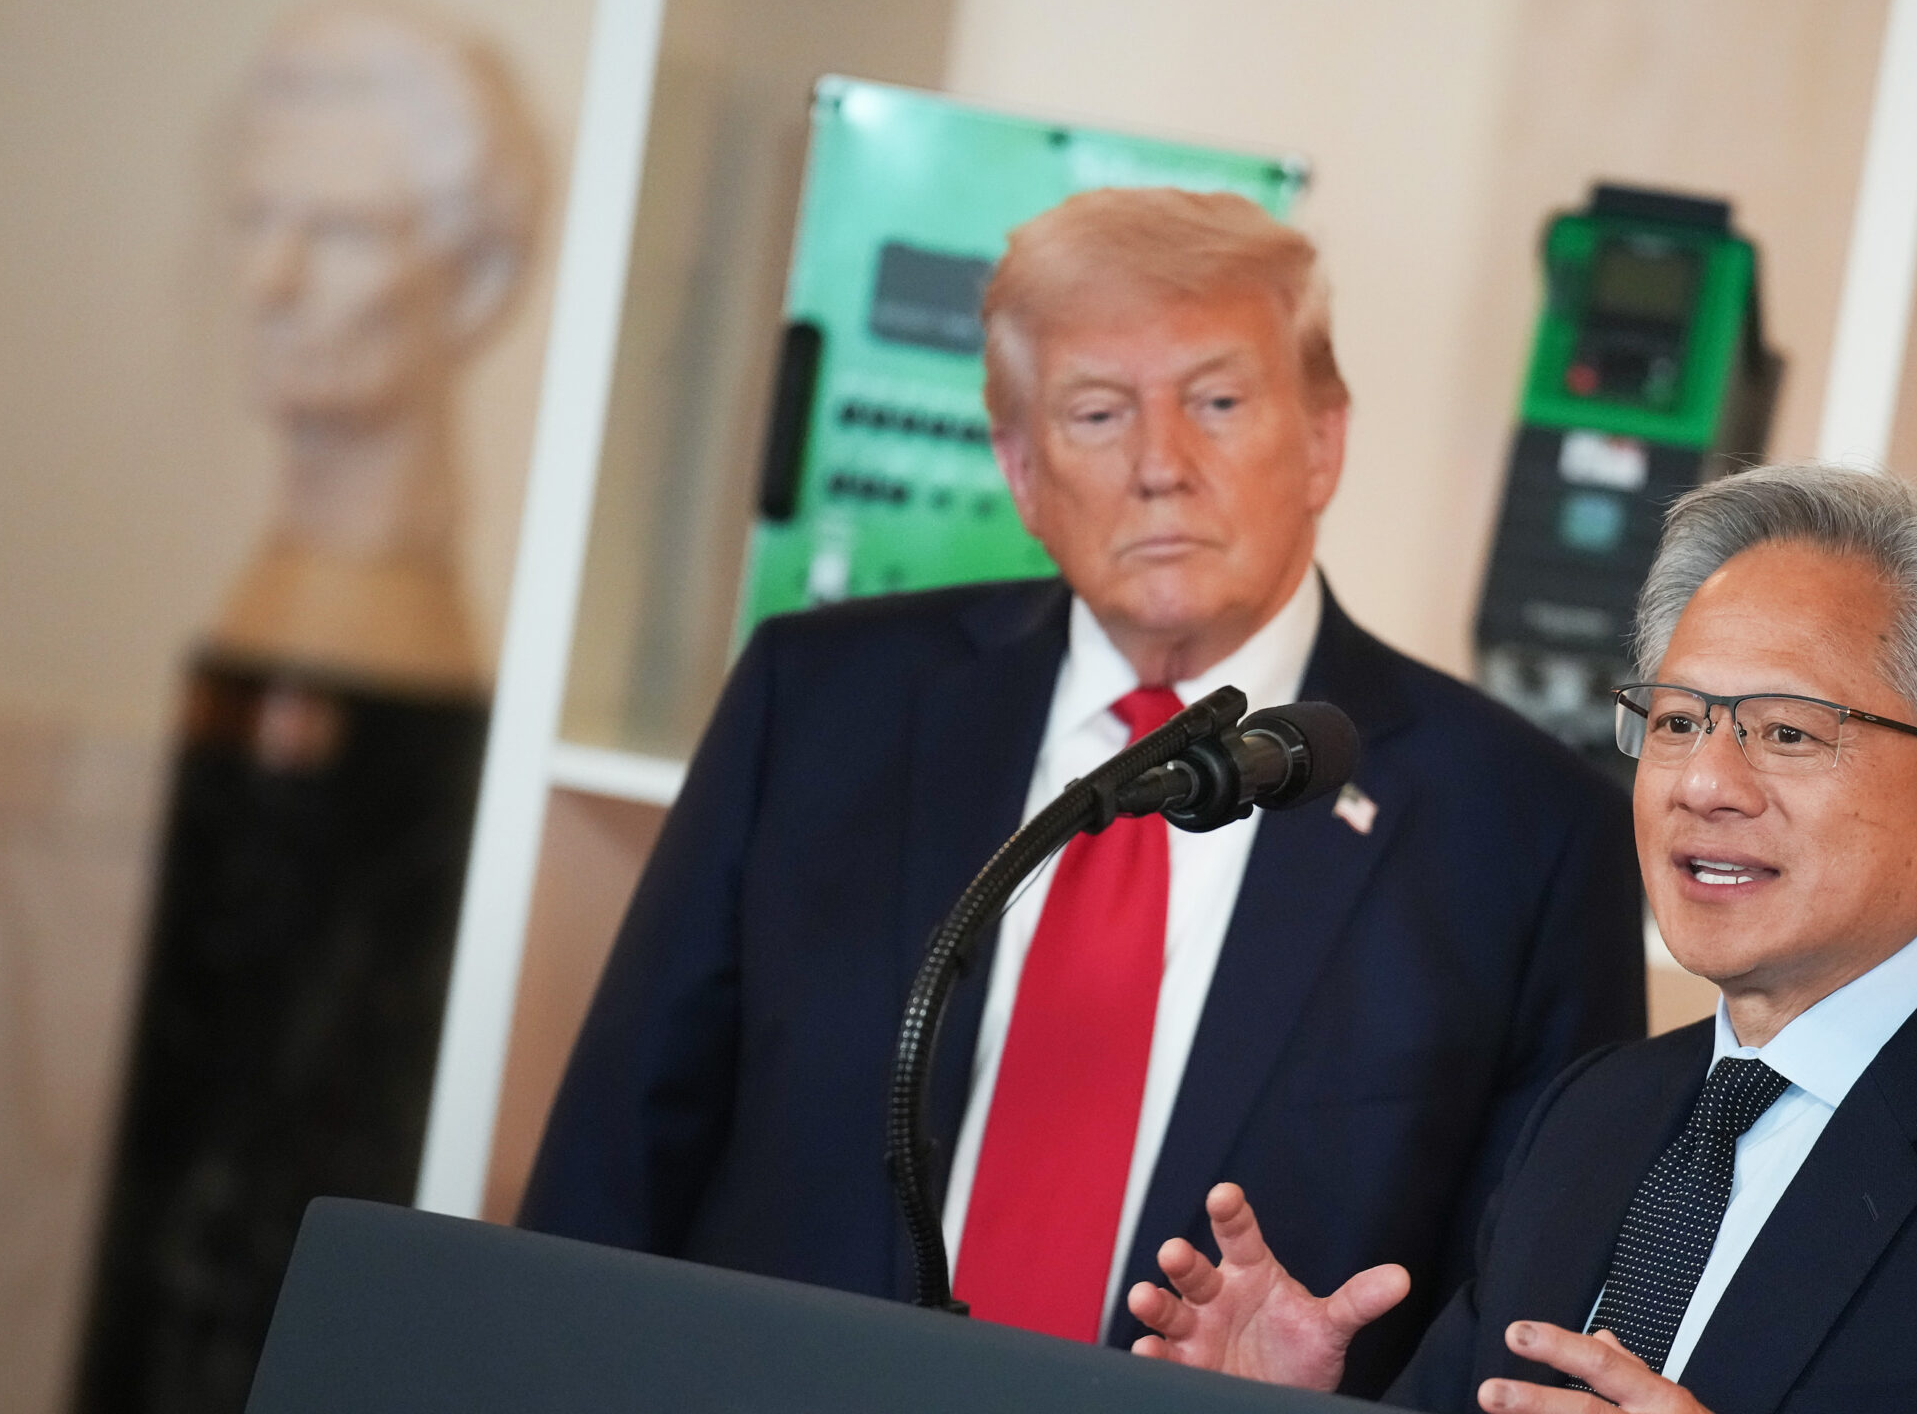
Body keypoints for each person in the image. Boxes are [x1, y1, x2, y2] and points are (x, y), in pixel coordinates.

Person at [519, 187, 1646, 1396]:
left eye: (1217, 403)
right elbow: (614, 1164)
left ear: (1323, 439)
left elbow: (1524, 1326)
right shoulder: (818, 705)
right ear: (1020, 470)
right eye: (1098, 413)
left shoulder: (1528, 832)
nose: (1161, 466)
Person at [1127, 466, 1917, 1413]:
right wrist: (1290, 1407)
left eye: (1787, 732)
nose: (1703, 783)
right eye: (1676, 721)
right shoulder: (1592, 1116)